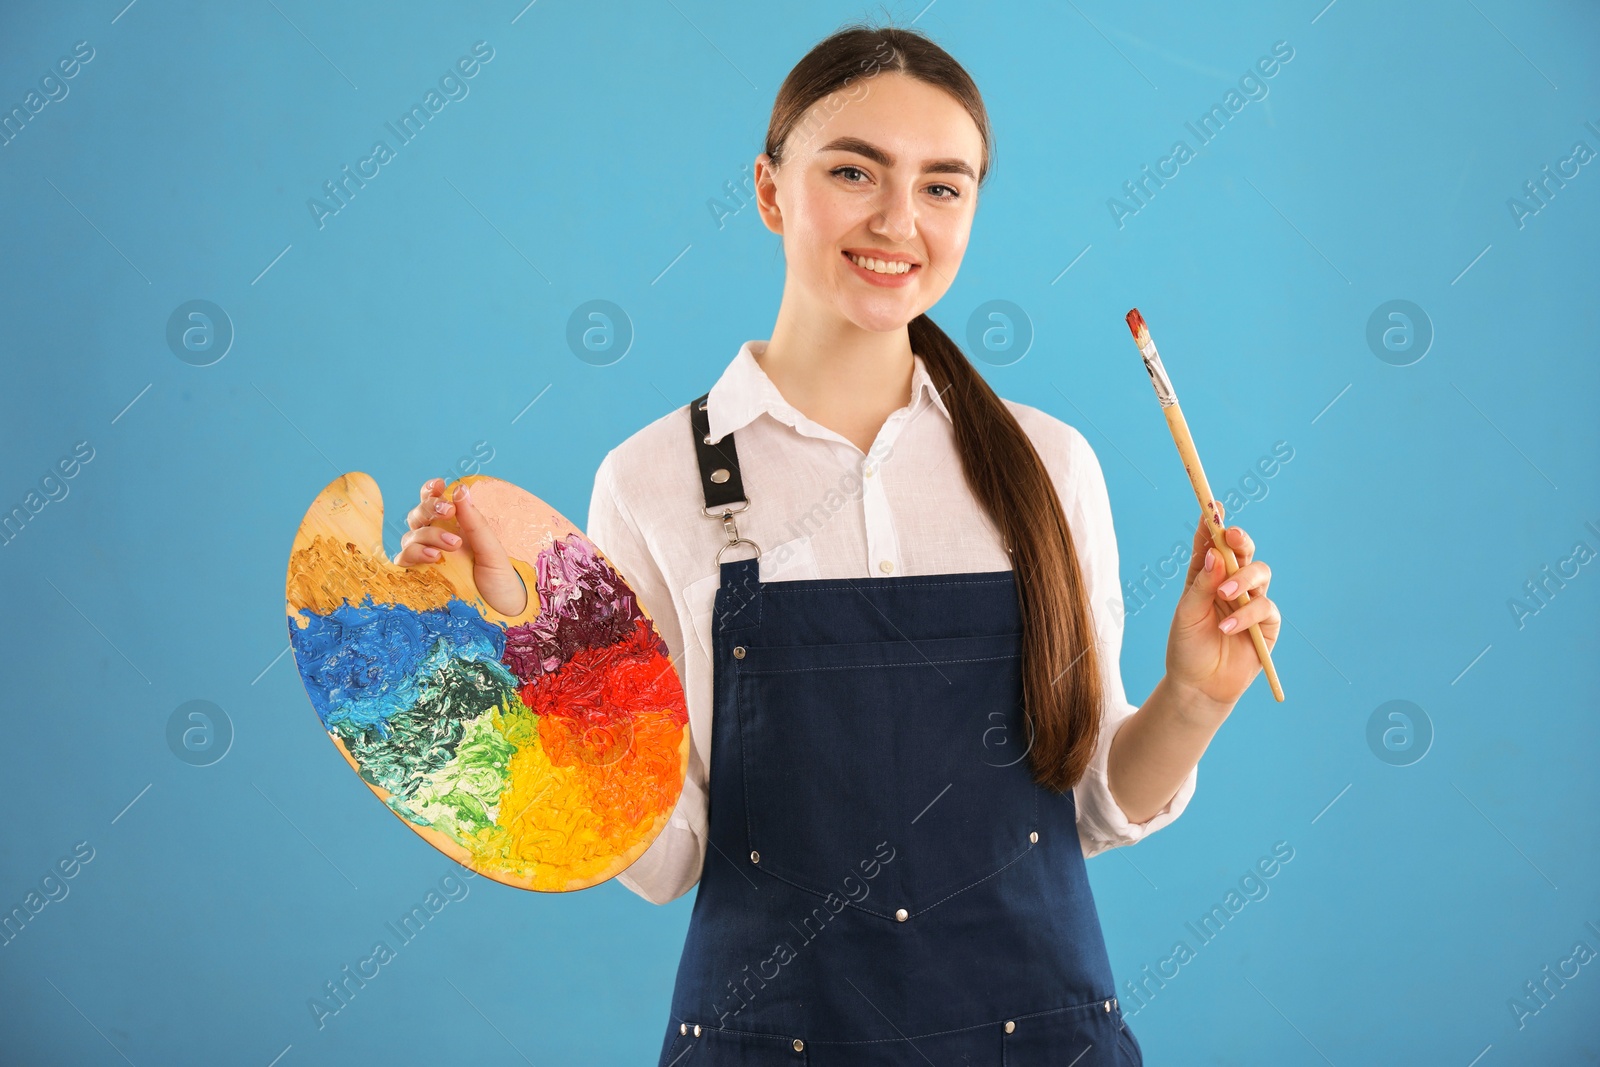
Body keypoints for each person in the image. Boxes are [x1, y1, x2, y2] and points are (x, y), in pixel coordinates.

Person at [396, 21, 1279, 1065]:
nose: (898, 219)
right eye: (855, 170)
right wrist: (527, 648)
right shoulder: (650, 481)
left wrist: (1194, 694)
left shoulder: (1049, 464)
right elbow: (663, 855)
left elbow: (1091, 802)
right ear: (770, 190)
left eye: (943, 186)